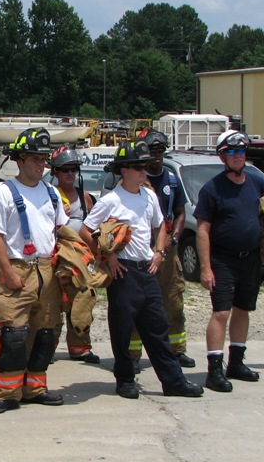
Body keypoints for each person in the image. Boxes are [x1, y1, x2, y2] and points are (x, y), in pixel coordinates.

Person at [80, 140, 203, 399]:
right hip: (123, 272)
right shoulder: (111, 200)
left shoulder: (149, 196)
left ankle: (173, 382)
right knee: (122, 329)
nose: (144, 171)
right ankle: (125, 380)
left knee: (158, 328)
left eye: (145, 166)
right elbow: (85, 231)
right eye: (138, 166)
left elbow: (160, 228)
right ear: (123, 170)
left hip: (147, 270)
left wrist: (159, 253)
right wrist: (108, 257)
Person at [0, 128, 67, 415]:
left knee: (45, 332)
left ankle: (35, 388)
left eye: (43, 159)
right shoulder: (5, 192)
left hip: (48, 271)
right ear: (19, 160)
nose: (40, 164)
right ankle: (6, 393)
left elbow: (62, 230)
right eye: (33, 158)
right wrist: (7, 271)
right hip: (18, 269)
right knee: (13, 334)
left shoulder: (52, 193)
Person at [194, 130, 264, 392]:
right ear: (222, 156)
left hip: (250, 259)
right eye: (232, 152)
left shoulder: (257, 183)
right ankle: (214, 371)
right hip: (222, 259)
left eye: (241, 152)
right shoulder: (212, 189)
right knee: (221, 312)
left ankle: (236, 363)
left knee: (243, 310)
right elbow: (202, 229)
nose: (238, 157)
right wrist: (205, 268)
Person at [140, 129, 195, 369]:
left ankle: (177, 350)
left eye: (160, 151)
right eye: (152, 152)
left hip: (168, 248)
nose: (156, 156)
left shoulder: (171, 179)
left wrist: (174, 238)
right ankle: (133, 356)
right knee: (138, 302)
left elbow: (181, 212)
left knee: (173, 299)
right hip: (143, 248)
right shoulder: (136, 178)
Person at [49, 145, 99, 364]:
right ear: (55, 173)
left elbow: (96, 228)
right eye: (64, 169)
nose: (70, 173)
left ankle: (81, 348)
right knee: (52, 304)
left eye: (73, 169)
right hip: (56, 259)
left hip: (81, 261)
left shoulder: (86, 198)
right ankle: (47, 348)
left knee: (82, 302)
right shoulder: (50, 196)